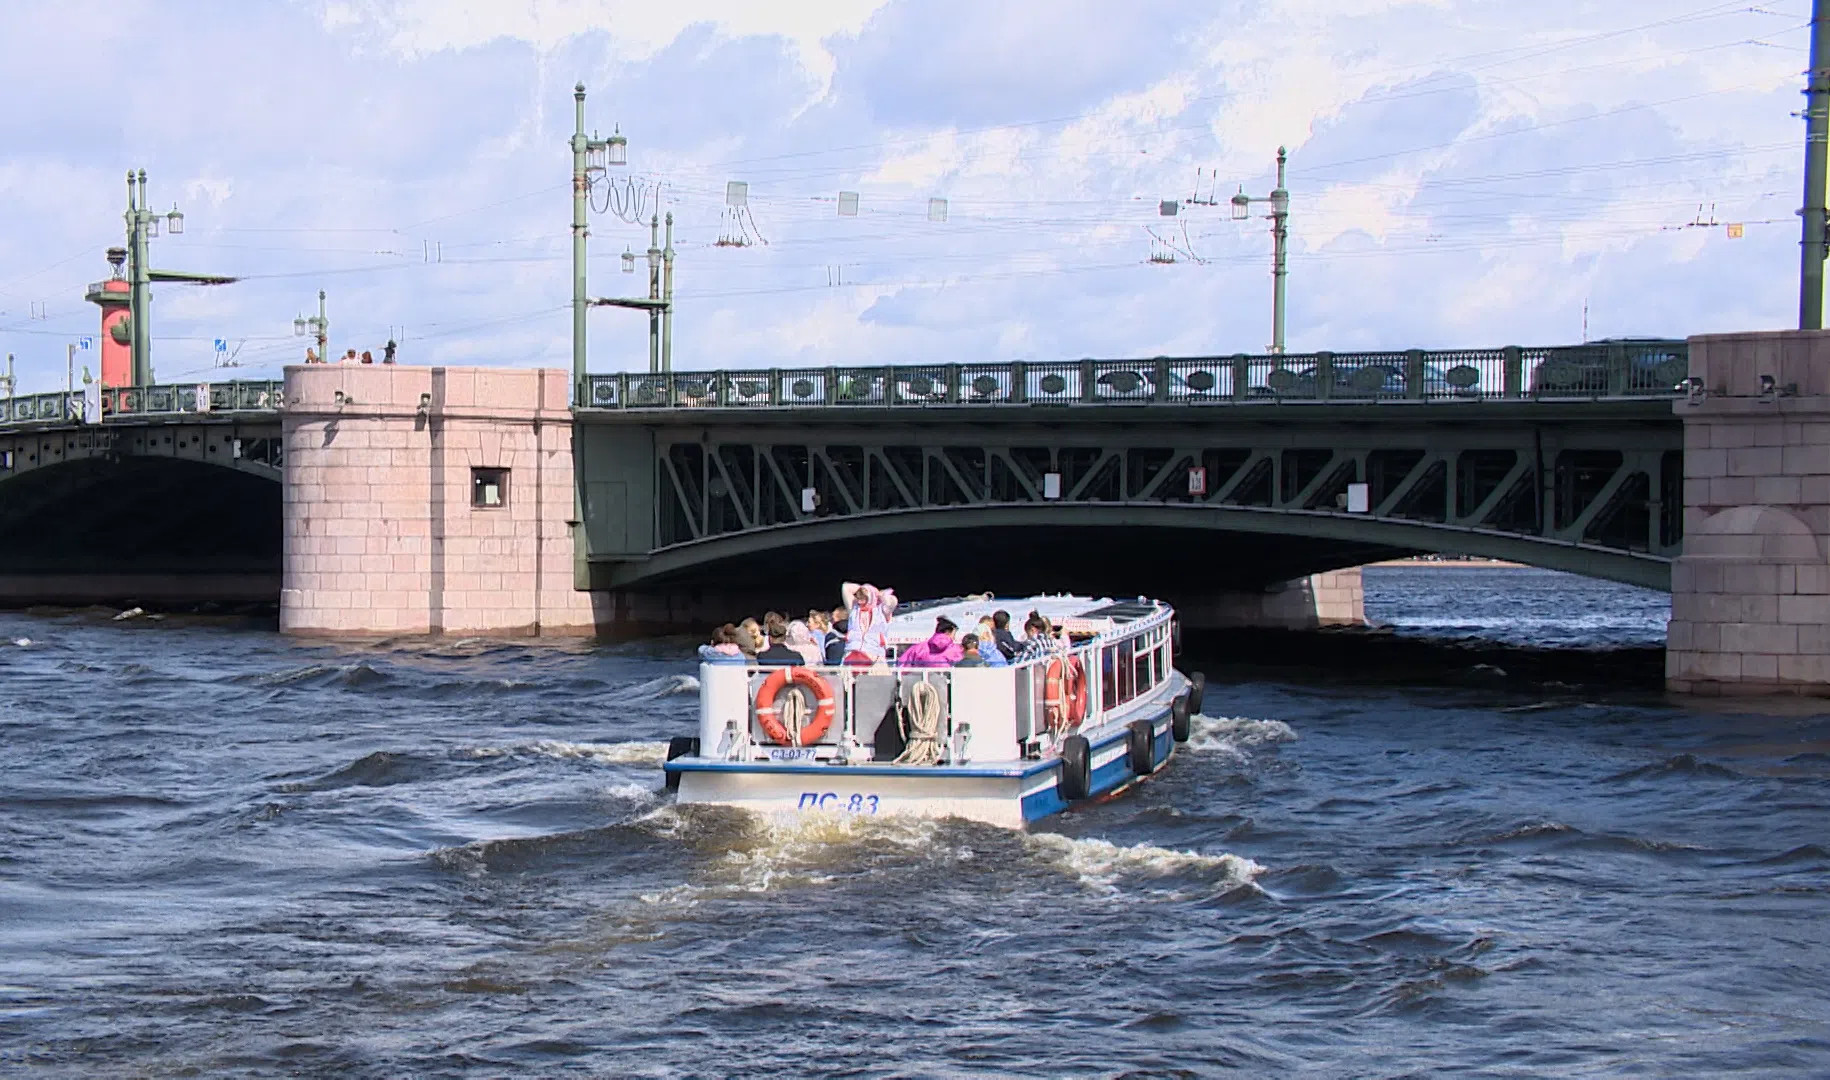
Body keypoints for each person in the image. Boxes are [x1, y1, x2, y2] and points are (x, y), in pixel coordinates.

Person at [842, 581, 897, 666]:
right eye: (858, 598)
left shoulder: (882, 611)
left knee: (874, 679)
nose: (860, 602)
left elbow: (892, 602)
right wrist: (864, 588)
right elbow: (845, 587)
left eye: (863, 598)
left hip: (875, 655)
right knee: (847, 678)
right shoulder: (853, 608)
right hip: (852, 653)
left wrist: (877, 594)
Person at [898, 616, 963, 668]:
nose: (954, 638)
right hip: (944, 682)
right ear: (947, 632)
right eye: (954, 634)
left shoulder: (918, 648)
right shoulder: (955, 650)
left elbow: (903, 667)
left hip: (919, 682)